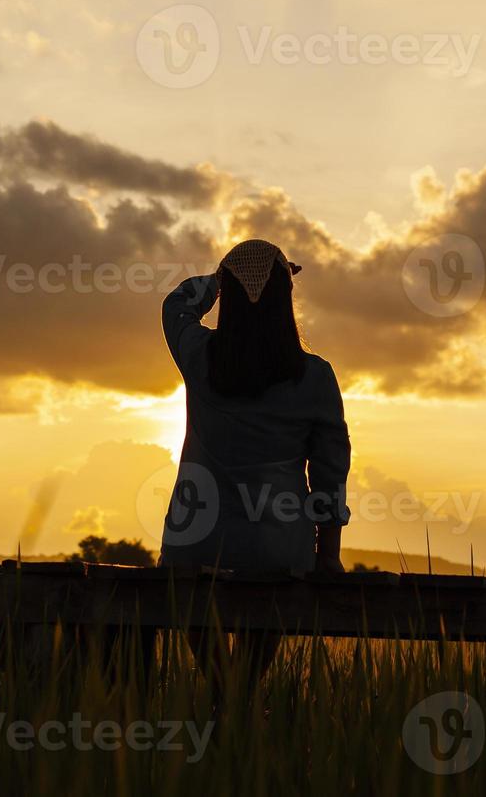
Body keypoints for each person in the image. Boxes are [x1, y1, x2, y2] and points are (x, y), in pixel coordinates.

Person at [159, 239, 351, 683]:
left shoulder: (200, 356)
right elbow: (329, 473)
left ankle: (222, 691)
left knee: (209, 647)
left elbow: (176, 304)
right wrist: (329, 555)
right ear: (286, 302)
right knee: (253, 654)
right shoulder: (315, 376)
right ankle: (239, 696)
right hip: (277, 547)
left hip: (195, 542)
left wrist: (221, 280)